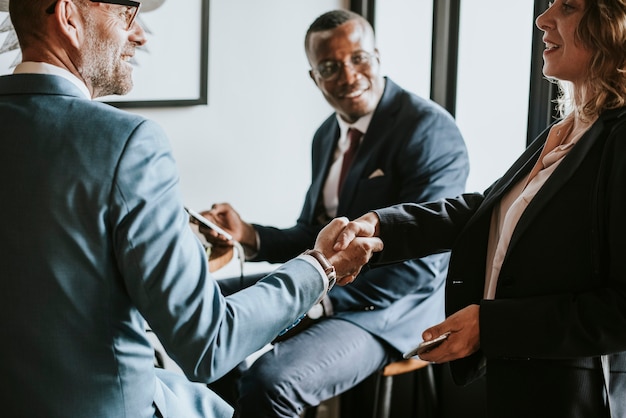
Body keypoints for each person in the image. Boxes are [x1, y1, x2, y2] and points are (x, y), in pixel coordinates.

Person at [0, 1, 383, 418]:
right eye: (126, 13)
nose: (141, 34)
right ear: (68, 15)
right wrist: (321, 266)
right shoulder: (128, 142)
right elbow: (208, 343)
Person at [335, 0, 626, 416]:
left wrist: (491, 326)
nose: (543, 18)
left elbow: (620, 310)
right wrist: (378, 228)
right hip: (520, 385)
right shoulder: (568, 129)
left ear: (614, 25)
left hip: (577, 399)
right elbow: (484, 210)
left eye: (570, 5)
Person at [201, 9, 469, 417]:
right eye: (329, 66)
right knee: (208, 307)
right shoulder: (327, 134)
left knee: (271, 381)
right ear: (314, 77)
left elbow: (421, 266)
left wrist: (312, 297)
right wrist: (248, 235)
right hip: (327, 288)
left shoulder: (429, 130)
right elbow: (314, 233)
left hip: (391, 310)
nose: (347, 75)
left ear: (377, 56)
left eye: (358, 58)